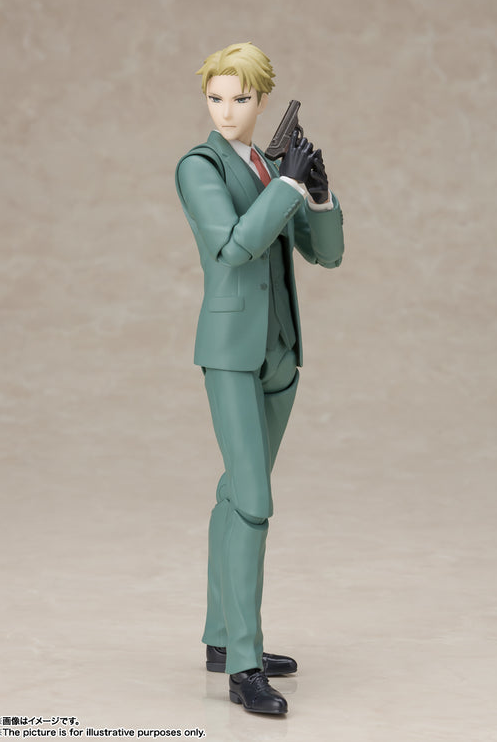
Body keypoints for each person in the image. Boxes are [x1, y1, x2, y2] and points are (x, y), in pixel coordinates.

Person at [175, 42, 344, 714]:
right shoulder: (199, 167)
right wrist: (285, 188)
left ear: (262, 100)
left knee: (235, 494)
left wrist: (318, 195)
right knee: (252, 502)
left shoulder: (272, 166)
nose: (225, 112)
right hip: (230, 353)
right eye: (215, 98)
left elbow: (324, 255)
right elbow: (234, 245)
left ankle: (221, 637)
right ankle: (244, 664)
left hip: (278, 354)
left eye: (239, 99)